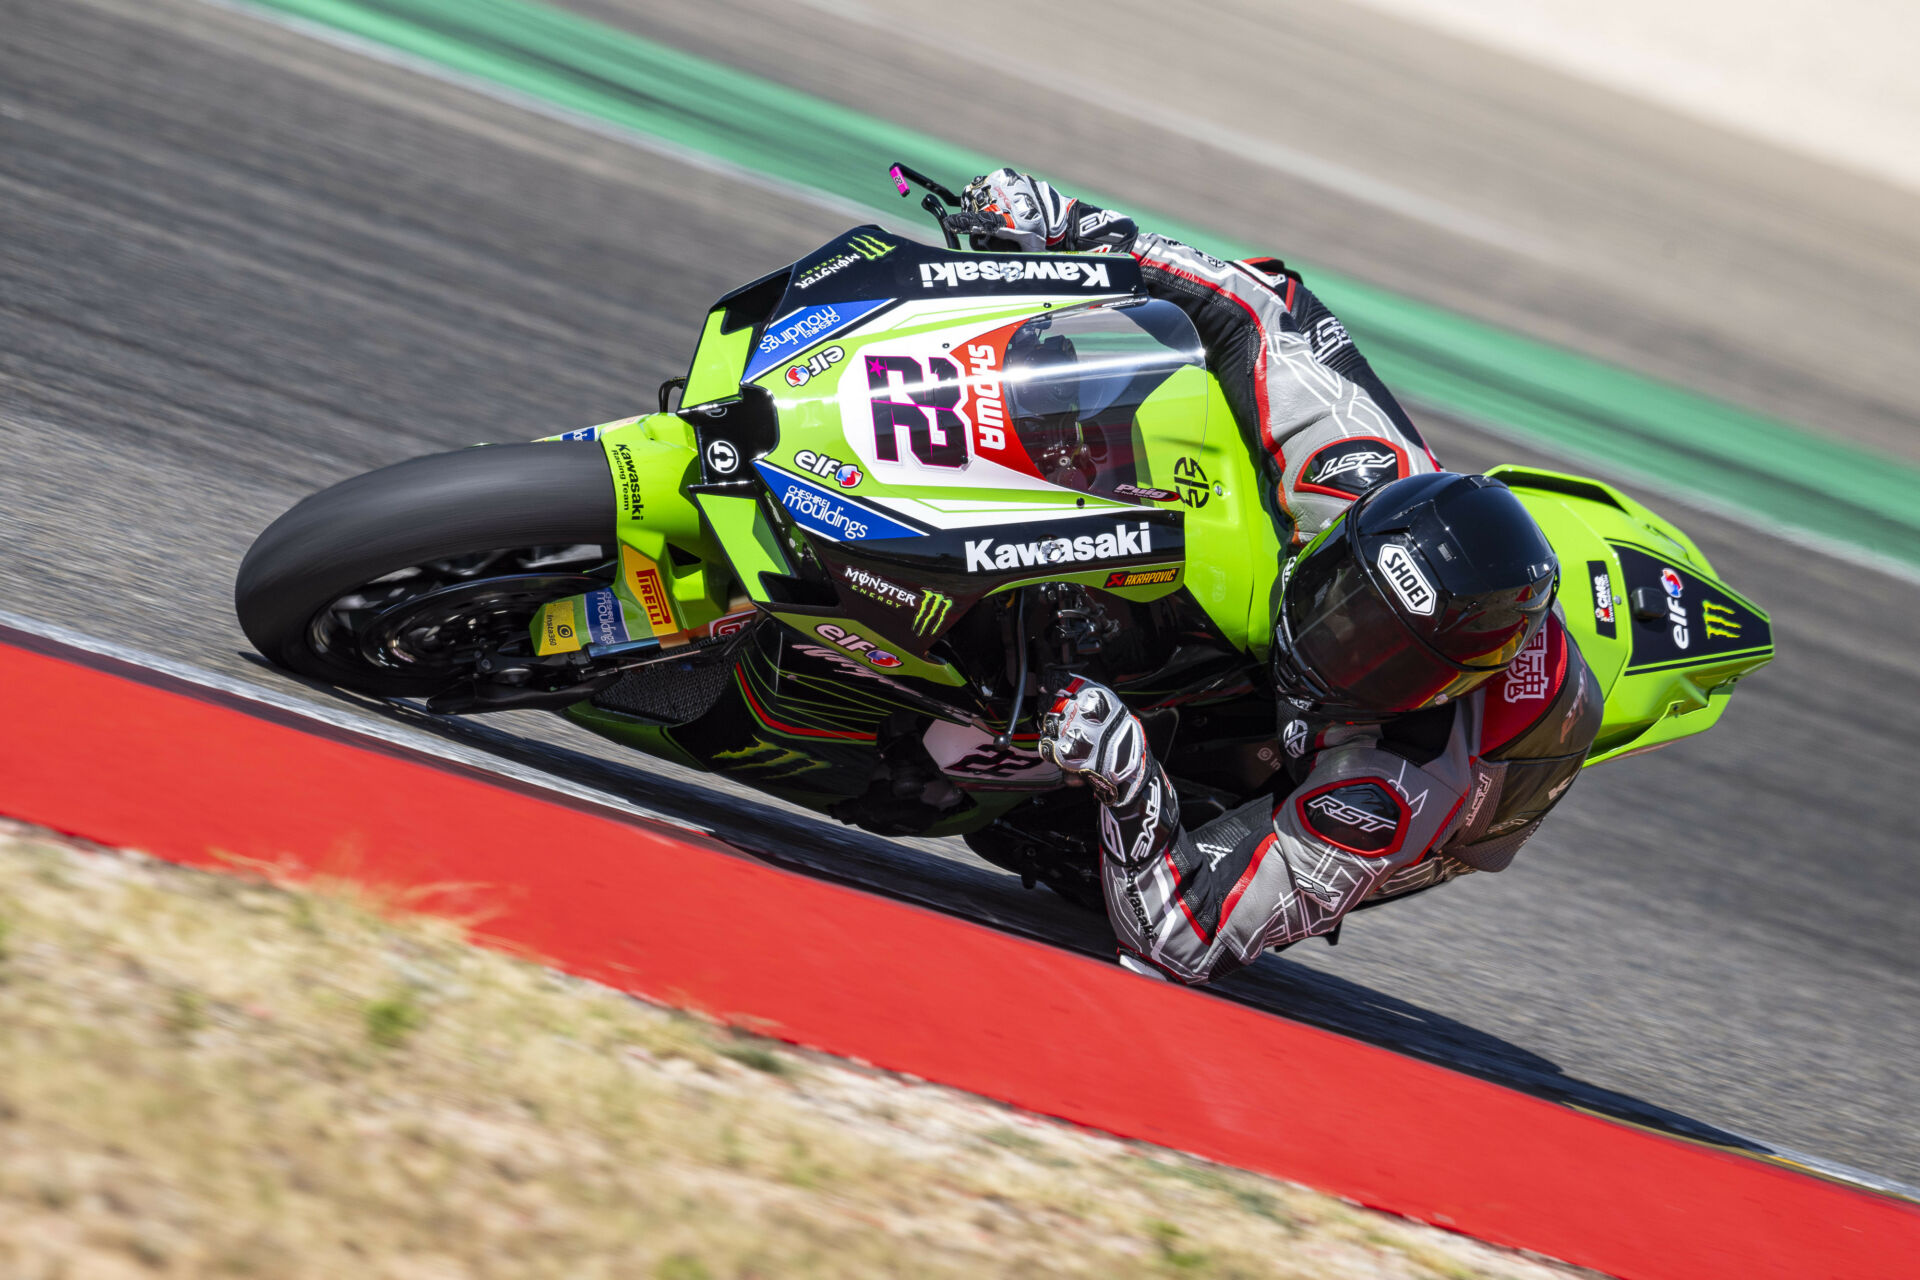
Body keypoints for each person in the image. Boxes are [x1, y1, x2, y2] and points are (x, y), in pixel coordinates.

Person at [963, 170, 1602, 983]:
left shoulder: (1389, 786)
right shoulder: (1358, 472)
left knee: (1090, 852)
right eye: (1344, 593)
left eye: (1380, 651)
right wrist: (1073, 228)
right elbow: (1254, 310)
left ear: (1435, 686)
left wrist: (1128, 779)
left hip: (1386, 772)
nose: (1335, 636)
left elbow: (1179, 944)